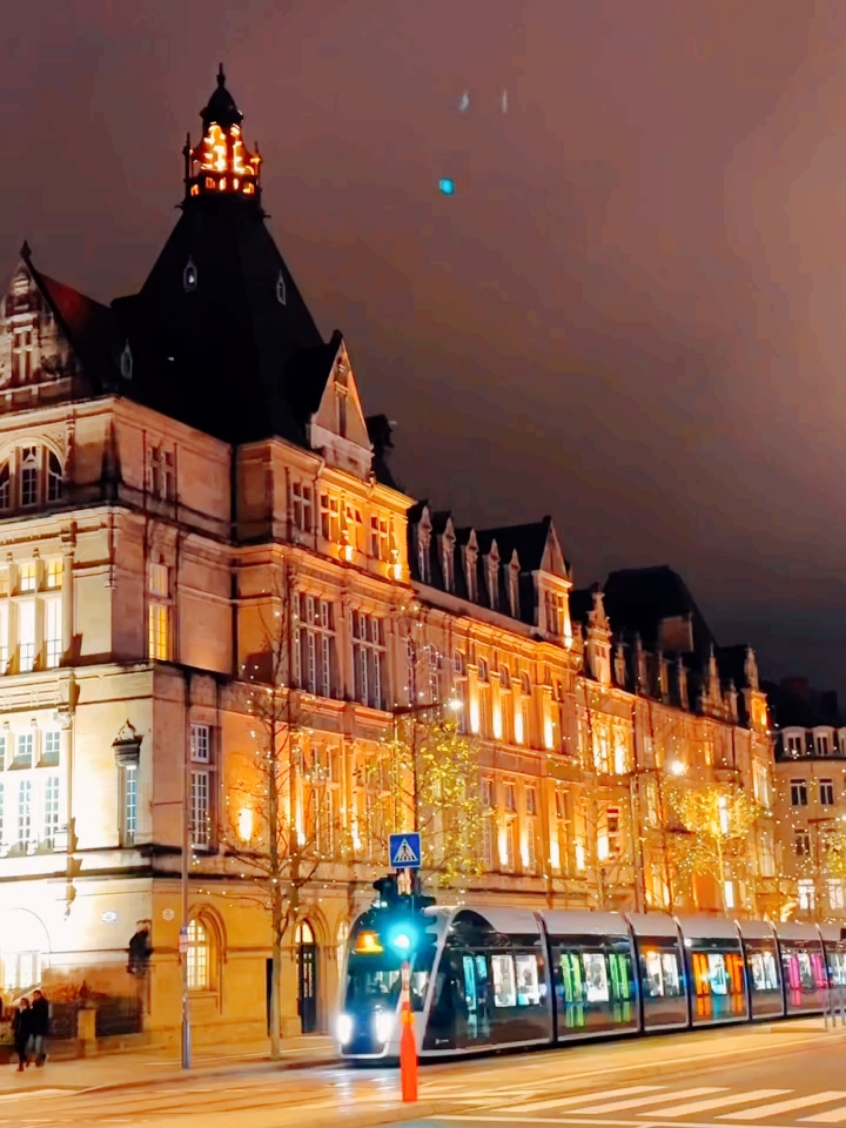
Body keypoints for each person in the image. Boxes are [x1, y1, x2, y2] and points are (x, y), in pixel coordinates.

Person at [29, 990, 49, 1067]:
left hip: (41, 1027)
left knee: (39, 1044)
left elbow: (43, 1015)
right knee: (35, 1044)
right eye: (33, 996)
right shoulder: (34, 1003)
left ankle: (40, 1058)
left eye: (35, 995)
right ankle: (41, 1056)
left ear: (39, 995)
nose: (34, 997)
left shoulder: (44, 1003)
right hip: (35, 1027)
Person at [11, 998, 31, 1072]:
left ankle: (21, 1066)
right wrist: (13, 1027)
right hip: (17, 1031)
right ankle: (26, 1059)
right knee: (17, 1048)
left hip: (24, 1032)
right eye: (21, 1002)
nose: (22, 1003)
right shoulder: (17, 1010)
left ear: (26, 1003)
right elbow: (15, 1019)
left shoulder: (28, 1011)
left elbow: (29, 1022)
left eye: (23, 1002)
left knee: (21, 1048)